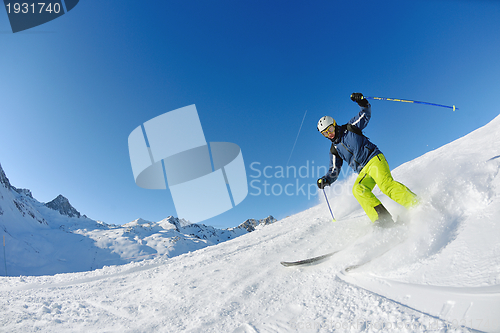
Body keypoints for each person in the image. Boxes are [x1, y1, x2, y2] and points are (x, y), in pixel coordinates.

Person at [316, 93, 418, 226]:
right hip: (363, 171)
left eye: (329, 129)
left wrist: (362, 102)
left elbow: (365, 114)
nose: (329, 133)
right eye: (325, 133)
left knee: (386, 185)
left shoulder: (350, 128)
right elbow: (334, 169)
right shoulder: (334, 150)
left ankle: (417, 205)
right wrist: (326, 179)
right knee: (358, 189)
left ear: (334, 124)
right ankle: (383, 219)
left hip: (374, 159)